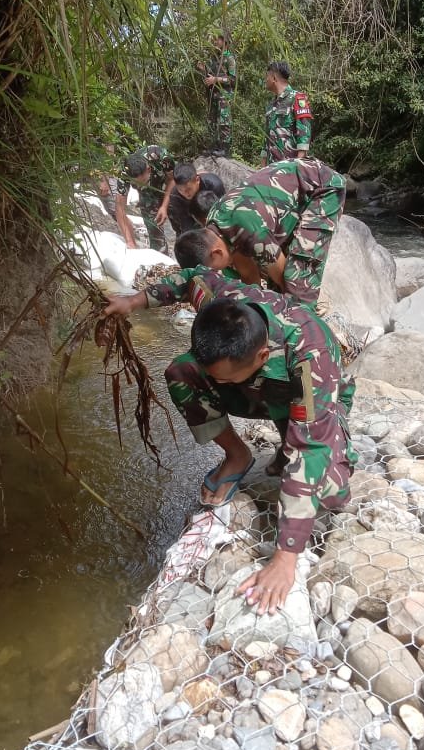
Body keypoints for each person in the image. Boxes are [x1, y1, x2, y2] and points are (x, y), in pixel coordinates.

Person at [102, 268, 356, 612]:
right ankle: (238, 455)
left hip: (305, 400)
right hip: (256, 388)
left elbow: (310, 449)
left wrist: (285, 558)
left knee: (331, 492)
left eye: (218, 375)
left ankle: (292, 440)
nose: (211, 381)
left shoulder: (311, 357)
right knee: (181, 372)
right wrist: (131, 302)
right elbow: (189, 277)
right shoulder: (220, 302)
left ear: (262, 356)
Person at [177, 158, 345, 306]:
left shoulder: (249, 231)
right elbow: (250, 278)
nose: (220, 271)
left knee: (298, 291)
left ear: (216, 253)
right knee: (276, 292)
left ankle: (313, 335)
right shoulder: (217, 231)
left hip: (321, 187)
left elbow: (282, 278)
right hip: (288, 199)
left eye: (215, 269)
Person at [113, 146, 176, 253]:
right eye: (135, 183)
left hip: (167, 184)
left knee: (181, 220)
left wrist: (164, 206)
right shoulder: (124, 173)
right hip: (148, 195)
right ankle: (161, 263)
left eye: (141, 181)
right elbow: (119, 208)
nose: (138, 185)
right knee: (155, 231)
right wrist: (130, 242)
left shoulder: (161, 156)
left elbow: (173, 179)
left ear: (148, 169)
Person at [261, 61, 313, 165]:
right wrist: (263, 164)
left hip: (288, 167)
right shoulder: (271, 105)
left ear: (274, 78)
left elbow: (304, 136)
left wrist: (297, 166)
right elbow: (267, 137)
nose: (265, 80)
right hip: (271, 167)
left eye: (267, 76)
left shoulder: (297, 98)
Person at [198, 32, 236, 155]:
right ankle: (214, 146)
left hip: (224, 96)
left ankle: (225, 149)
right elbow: (210, 76)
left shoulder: (229, 58)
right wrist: (204, 71)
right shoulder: (215, 58)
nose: (216, 42)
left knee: (224, 121)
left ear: (224, 42)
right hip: (213, 95)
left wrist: (216, 80)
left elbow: (233, 80)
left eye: (218, 40)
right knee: (212, 121)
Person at [170, 162, 226, 236]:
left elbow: (223, 213)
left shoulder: (214, 185)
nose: (186, 193)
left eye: (188, 189)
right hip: (190, 217)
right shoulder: (175, 195)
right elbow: (186, 225)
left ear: (197, 180)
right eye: (180, 190)